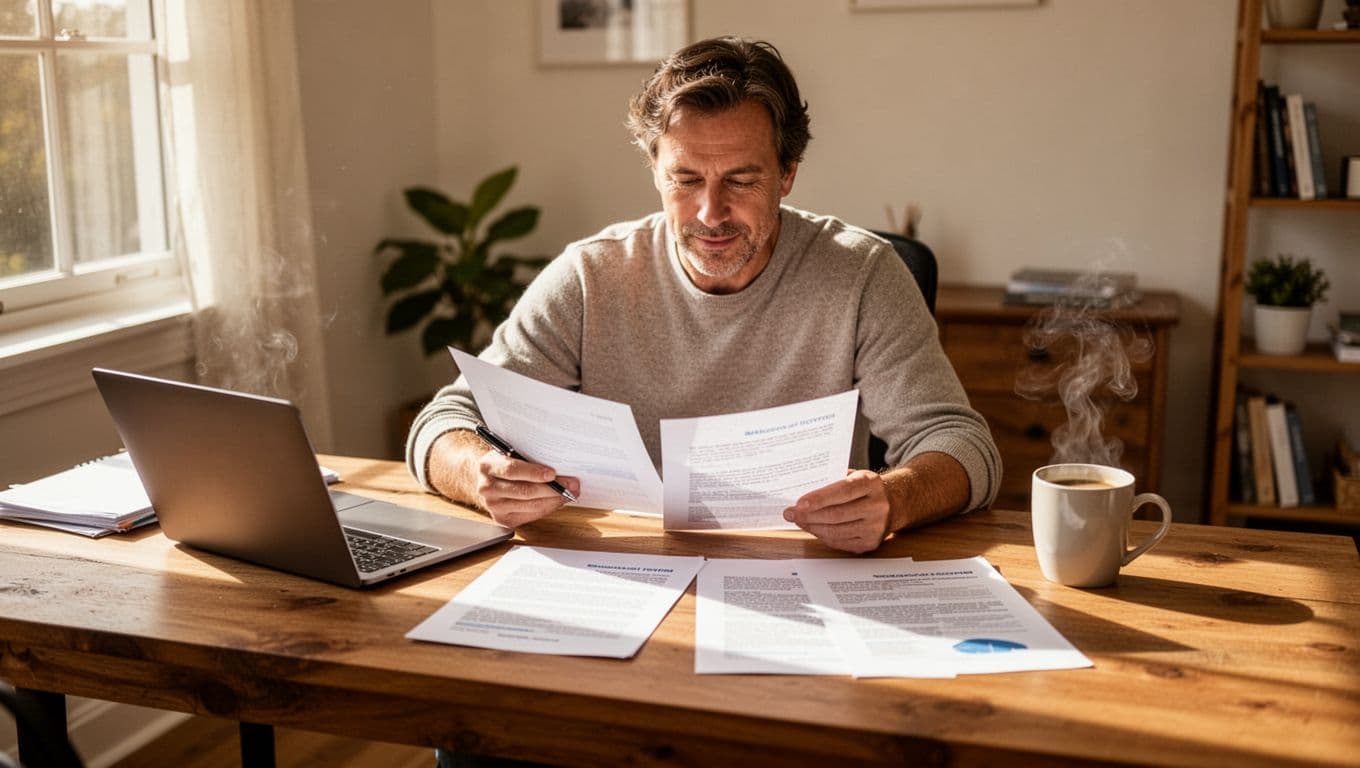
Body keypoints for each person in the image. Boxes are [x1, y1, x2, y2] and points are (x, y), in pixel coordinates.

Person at [407, 36, 1000, 554]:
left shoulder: (863, 274)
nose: (710, 213)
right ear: (655, 169)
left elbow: (962, 443)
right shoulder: (589, 277)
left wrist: (894, 498)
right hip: (621, 569)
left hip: (800, 572)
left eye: (741, 180)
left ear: (788, 172)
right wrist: (479, 472)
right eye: (685, 180)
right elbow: (443, 422)